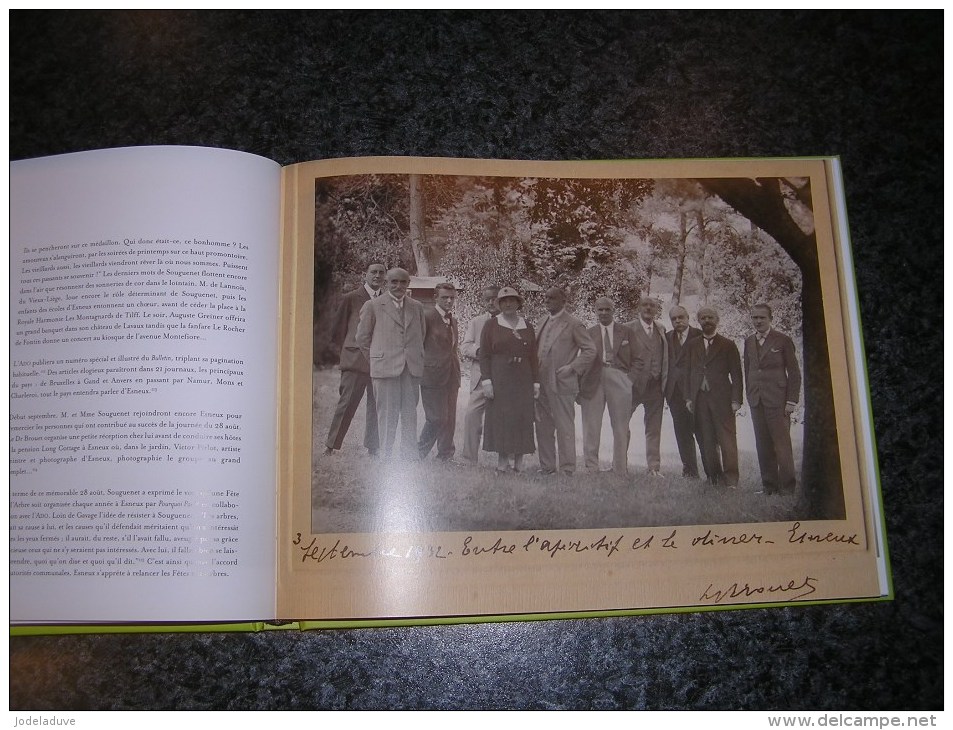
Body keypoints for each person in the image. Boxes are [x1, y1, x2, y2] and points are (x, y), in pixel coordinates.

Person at [355, 267, 427, 460]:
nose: (398, 286)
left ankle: (408, 456)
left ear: (408, 284)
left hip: (411, 369)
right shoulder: (373, 305)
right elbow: (362, 338)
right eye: (394, 282)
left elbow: (422, 334)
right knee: (387, 415)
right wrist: (378, 359)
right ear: (387, 282)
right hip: (385, 370)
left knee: (410, 414)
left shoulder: (417, 307)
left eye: (403, 282)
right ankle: (386, 456)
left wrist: (413, 356)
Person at [322, 262, 384, 457]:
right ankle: (331, 446)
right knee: (346, 404)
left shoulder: (387, 300)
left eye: (381, 272)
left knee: (377, 406)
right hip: (354, 361)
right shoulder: (350, 298)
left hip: (379, 362)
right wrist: (350, 349)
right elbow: (337, 330)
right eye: (373, 272)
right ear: (365, 274)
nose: (377, 275)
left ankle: (373, 448)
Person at [534, 287, 596, 475]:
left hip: (562, 382)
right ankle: (547, 467)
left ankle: (568, 468)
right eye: (545, 297)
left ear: (563, 301)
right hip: (541, 382)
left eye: (552, 298)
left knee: (564, 426)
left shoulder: (574, 324)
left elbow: (590, 350)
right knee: (543, 425)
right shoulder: (542, 320)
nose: (547, 300)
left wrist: (572, 367)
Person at [479, 287, 539, 473]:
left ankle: (519, 465)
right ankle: (502, 464)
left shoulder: (527, 325)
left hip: (523, 378)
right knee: (502, 419)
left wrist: (536, 382)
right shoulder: (491, 325)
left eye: (512, 300)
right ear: (499, 304)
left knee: (521, 418)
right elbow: (485, 355)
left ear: (518, 303)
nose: (508, 304)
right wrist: (487, 381)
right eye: (504, 301)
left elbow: (533, 356)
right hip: (500, 378)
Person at [744, 303, 802, 495]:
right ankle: (769, 486)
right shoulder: (749, 341)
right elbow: (748, 370)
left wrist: (791, 401)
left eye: (762, 317)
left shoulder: (783, 340)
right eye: (755, 318)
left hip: (778, 401)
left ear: (770, 319)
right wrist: (750, 394)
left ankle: (787, 488)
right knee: (763, 444)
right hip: (756, 400)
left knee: (782, 444)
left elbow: (794, 372)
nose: (758, 321)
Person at [578, 298, 639, 475]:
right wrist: (579, 385)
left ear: (614, 310)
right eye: (600, 310)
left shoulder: (626, 332)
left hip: (619, 377)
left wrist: (629, 380)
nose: (603, 313)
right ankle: (591, 467)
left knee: (620, 425)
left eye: (607, 309)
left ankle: (620, 468)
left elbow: (639, 359)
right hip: (594, 378)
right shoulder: (589, 333)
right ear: (595, 311)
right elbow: (582, 360)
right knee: (591, 424)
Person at [684, 307, 743, 488]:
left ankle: (731, 479)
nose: (706, 320)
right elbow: (687, 372)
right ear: (698, 321)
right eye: (703, 318)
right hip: (699, 399)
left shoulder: (727, 344)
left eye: (710, 317)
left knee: (727, 440)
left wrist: (736, 400)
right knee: (706, 439)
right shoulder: (692, 344)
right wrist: (688, 398)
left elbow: (737, 375)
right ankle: (714, 477)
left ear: (717, 320)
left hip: (722, 399)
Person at [625, 296, 669, 477]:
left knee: (653, 428)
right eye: (645, 305)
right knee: (622, 425)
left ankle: (653, 467)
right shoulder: (628, 328)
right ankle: (620, 464)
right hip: (633, 387)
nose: (648, 308)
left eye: (652, 306)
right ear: (638, 307)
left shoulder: (661, 328)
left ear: (657, 309)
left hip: (655, 387)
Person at [418, 283, 461, 462]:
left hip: (451, 374)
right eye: (444, 297)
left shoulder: (453, 320)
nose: (449, 301)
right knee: (436, 418)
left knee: (450, 417)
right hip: (431, 375)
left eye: (452, 297)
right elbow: (417, 345)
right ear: (436, 297)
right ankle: (418, 454)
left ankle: (445, 455)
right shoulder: (426, 316)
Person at [459, 285, 500, 465]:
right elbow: (465, 346)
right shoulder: (476, 322)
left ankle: (506, 461)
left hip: (504, 380)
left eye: (494, 298)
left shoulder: (512, 321)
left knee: (506, 420)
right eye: (487, 299)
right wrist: (481, 351)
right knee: (471, 416)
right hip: (480, 380)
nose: (491, 302)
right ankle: (469, 459)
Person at [664, 305, 702, 478]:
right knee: (682, 432)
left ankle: (713, 470)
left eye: (681, 317)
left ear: (688, 317)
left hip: (696, 392)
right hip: (674, 393)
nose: (678, 321)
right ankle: (690, 471)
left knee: (703, 431)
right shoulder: (667, 337)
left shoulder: (700, 336)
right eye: (674, 319)